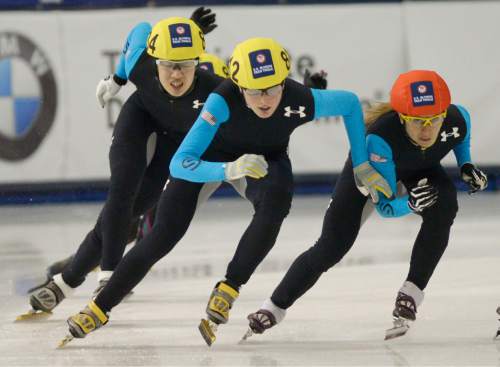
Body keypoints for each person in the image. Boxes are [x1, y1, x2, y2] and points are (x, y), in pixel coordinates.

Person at [60, 37, 392, 347]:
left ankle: (230, 286)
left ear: (284, 83)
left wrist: (362, 163)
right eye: (253, 91)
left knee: (275, 205)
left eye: (271, 90)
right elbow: (179, 163)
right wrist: (228, 170)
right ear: (238, 85)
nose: (264, 100)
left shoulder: (299, 99)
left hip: (266, 159)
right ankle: (100, 307)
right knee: (163, 233)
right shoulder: (221, 102)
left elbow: (350, 104)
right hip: (212, 158)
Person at [244, 69, 488, 341]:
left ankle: (412, 292)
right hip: (371, 171)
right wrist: (409, 203)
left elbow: (460, 136)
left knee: (445, 203)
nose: (427, 129)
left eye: (434, 120)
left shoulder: (457, 118)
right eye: (417, 121)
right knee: (331, 247)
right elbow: (385, 207)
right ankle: (274, 306)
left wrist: (466, 165)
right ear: (401, 117)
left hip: (421, 169)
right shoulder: (380, 138)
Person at [19, 11, 223, 320]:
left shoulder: (216, 92)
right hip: (141, 119)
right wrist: (117, 78)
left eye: (185, 68)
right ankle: (106, 276)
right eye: (168, 66)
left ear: (198, 67)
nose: (177, 77)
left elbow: (266, 99)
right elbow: (141, 31)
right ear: (157, 61)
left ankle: (65, 281)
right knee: (122, 192)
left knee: (137, 210)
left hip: (177, 139)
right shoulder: (143, 67)